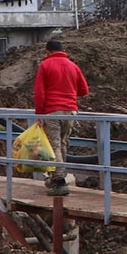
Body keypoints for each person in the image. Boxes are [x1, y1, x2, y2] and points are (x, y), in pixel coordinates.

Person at [33, 38, 90, 195]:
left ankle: (59, 181)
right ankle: (58, 177)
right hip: (70, 111)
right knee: (63, 144)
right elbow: (84, 90)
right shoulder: (73, 66)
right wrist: (69, 93)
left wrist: (39, 113)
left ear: (47, 51)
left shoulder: (45, 65)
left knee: (54, 146)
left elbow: (39, 93)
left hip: (52, 111)